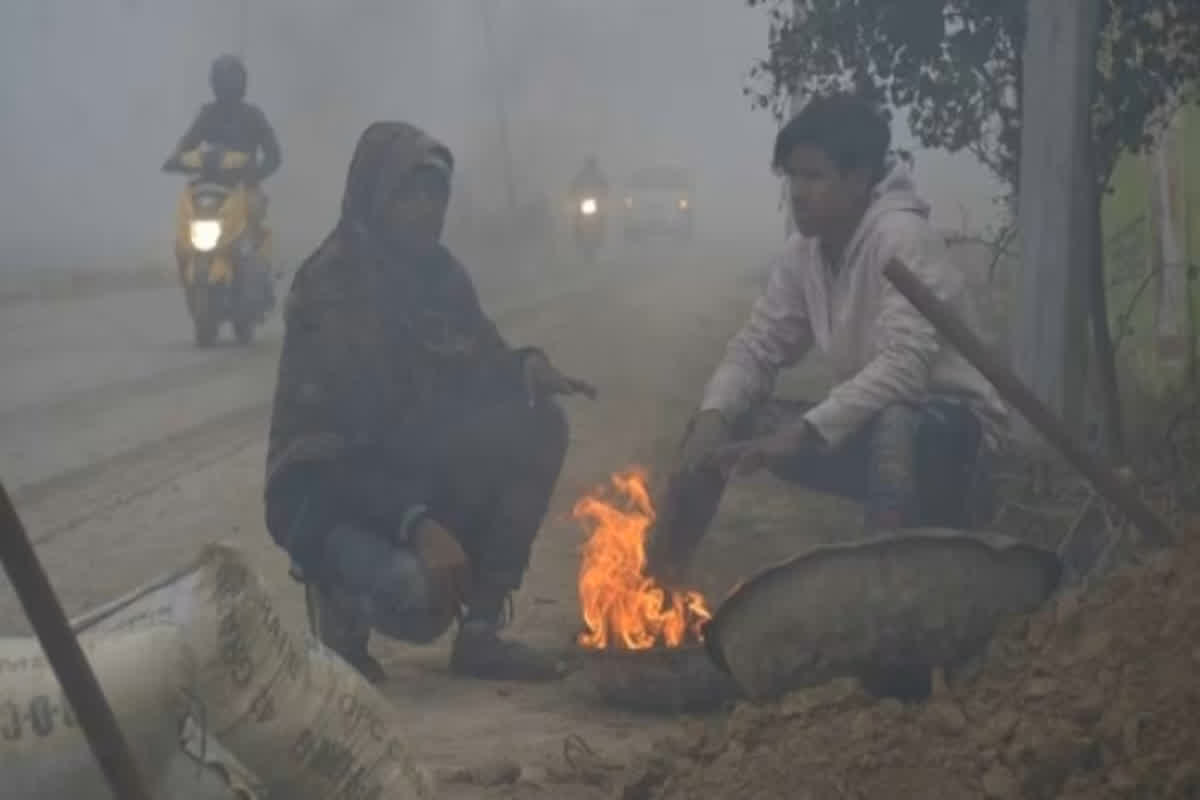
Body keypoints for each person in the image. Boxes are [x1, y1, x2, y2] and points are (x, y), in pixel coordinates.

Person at [264, 122, 596, 684]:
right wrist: (418, 524)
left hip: (413, 469)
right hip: (330, 498)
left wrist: (525, 368)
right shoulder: (333, 288)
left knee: (537, 425)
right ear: (375, 197)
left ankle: (482, 633)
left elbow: (484, 358)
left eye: (435, 194)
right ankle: (338, 608)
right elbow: (332, 455)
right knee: (419, 598)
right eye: (408, 194)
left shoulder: (440, 275)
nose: (425, 209)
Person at [647, 93, 1007, 581]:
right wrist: (715, 414)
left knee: (895, 420)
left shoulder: (901, 238)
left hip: (955, 444)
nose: (798, 192)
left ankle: (887, 590)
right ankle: (655, 586)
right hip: (873, 436)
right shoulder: (805, 253)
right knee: (728, 417)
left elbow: (905, 368)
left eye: (814, 176)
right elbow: (757, 347)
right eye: (792, 176)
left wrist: (802, 432)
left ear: (858, 179)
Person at [162, 54, 282, 188]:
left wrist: (255, 175)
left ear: (241, 82)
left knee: (254, 204)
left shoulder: (253, 115)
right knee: (184, 204)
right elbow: (187, 144)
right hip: (206, 186)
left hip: (243, 188)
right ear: (213, 82)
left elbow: (274, 156)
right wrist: (175, 159)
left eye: (230, 80)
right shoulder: (208, 114)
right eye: (220, 80)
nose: (225, 85)